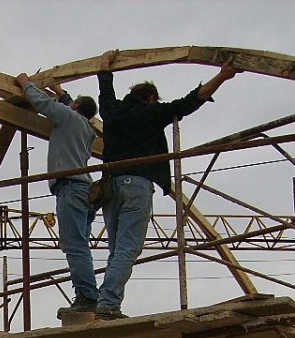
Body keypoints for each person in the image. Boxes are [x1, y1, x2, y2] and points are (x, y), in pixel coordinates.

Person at [95, 50, 240, 320]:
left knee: (117, 250)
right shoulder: (152, 112)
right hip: (137, 184)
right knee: (128, 248)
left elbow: (104, 90)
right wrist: (222, 76)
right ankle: (106, 303)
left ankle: (108, 303)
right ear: (151, 97)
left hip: (110, 185)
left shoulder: (111, 112)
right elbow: (189, 102)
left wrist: (104, 67)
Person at [15, 72, 100, 319]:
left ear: (75, 108)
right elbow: (66, 105)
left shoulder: (69, 118)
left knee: (74, 245)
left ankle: (87, 297)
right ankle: (88, 294)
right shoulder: (87, 127)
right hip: (85, 191)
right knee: (80, 244)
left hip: (70, 189)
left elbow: (44, 104)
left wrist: (25, 83)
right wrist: (61, 91)